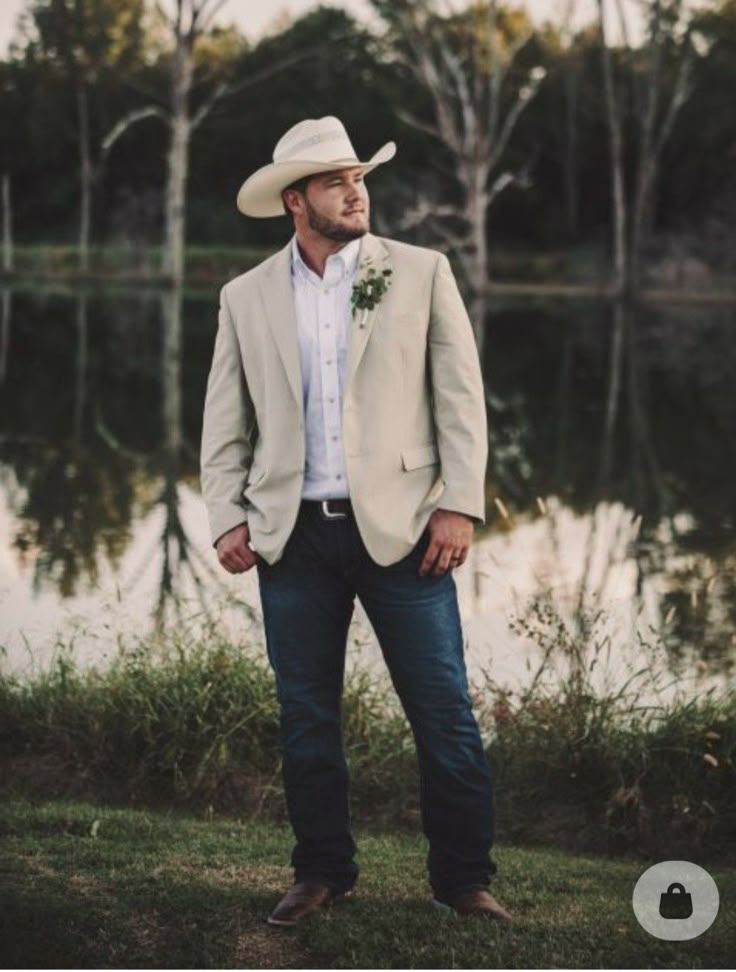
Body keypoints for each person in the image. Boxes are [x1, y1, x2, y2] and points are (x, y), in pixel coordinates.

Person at [200, 116, 512, 926]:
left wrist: (459, 504)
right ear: (295, 200)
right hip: (291, 539)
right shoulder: (245, 296)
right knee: (307, 717)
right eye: (338, 180)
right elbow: (225, 421)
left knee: (443, 710)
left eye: (360, 176)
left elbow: (460, 399)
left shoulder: (421, 271)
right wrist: (227, 516)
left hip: (408, 531)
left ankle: (464, 880)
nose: (357, 190)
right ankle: (321, 872)